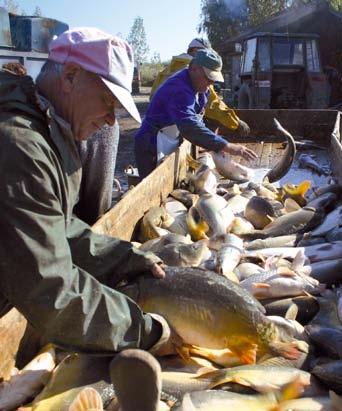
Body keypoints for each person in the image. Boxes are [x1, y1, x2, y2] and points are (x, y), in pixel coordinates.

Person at [0, 27, 175, 411]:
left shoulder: (44, 130)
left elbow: (58, 227)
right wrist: (144, 330)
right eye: (108, 102)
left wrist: (125, 257)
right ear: (70, 77)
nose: (113, 122)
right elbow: (50, 289)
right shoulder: (20, 144)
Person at [134, 48, 257, 179]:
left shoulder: (201, 88)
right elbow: (189, 126)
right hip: (151, 145)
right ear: (194, 69)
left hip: (169, 139)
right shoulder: (179, 88)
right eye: (208, 77)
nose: (211, 83)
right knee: (153, 189)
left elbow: (199, 118)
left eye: (213, 79)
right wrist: (227, 146)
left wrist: (212, 143)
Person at [151, 37, 251, 137]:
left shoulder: (171, 68)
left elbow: (152, 97)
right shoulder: (196, 71)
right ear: (195, 50)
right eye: (206, 53)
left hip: (159, 126)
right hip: (172, 130)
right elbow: (213, 104)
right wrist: (236, 122)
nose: (208, 57)